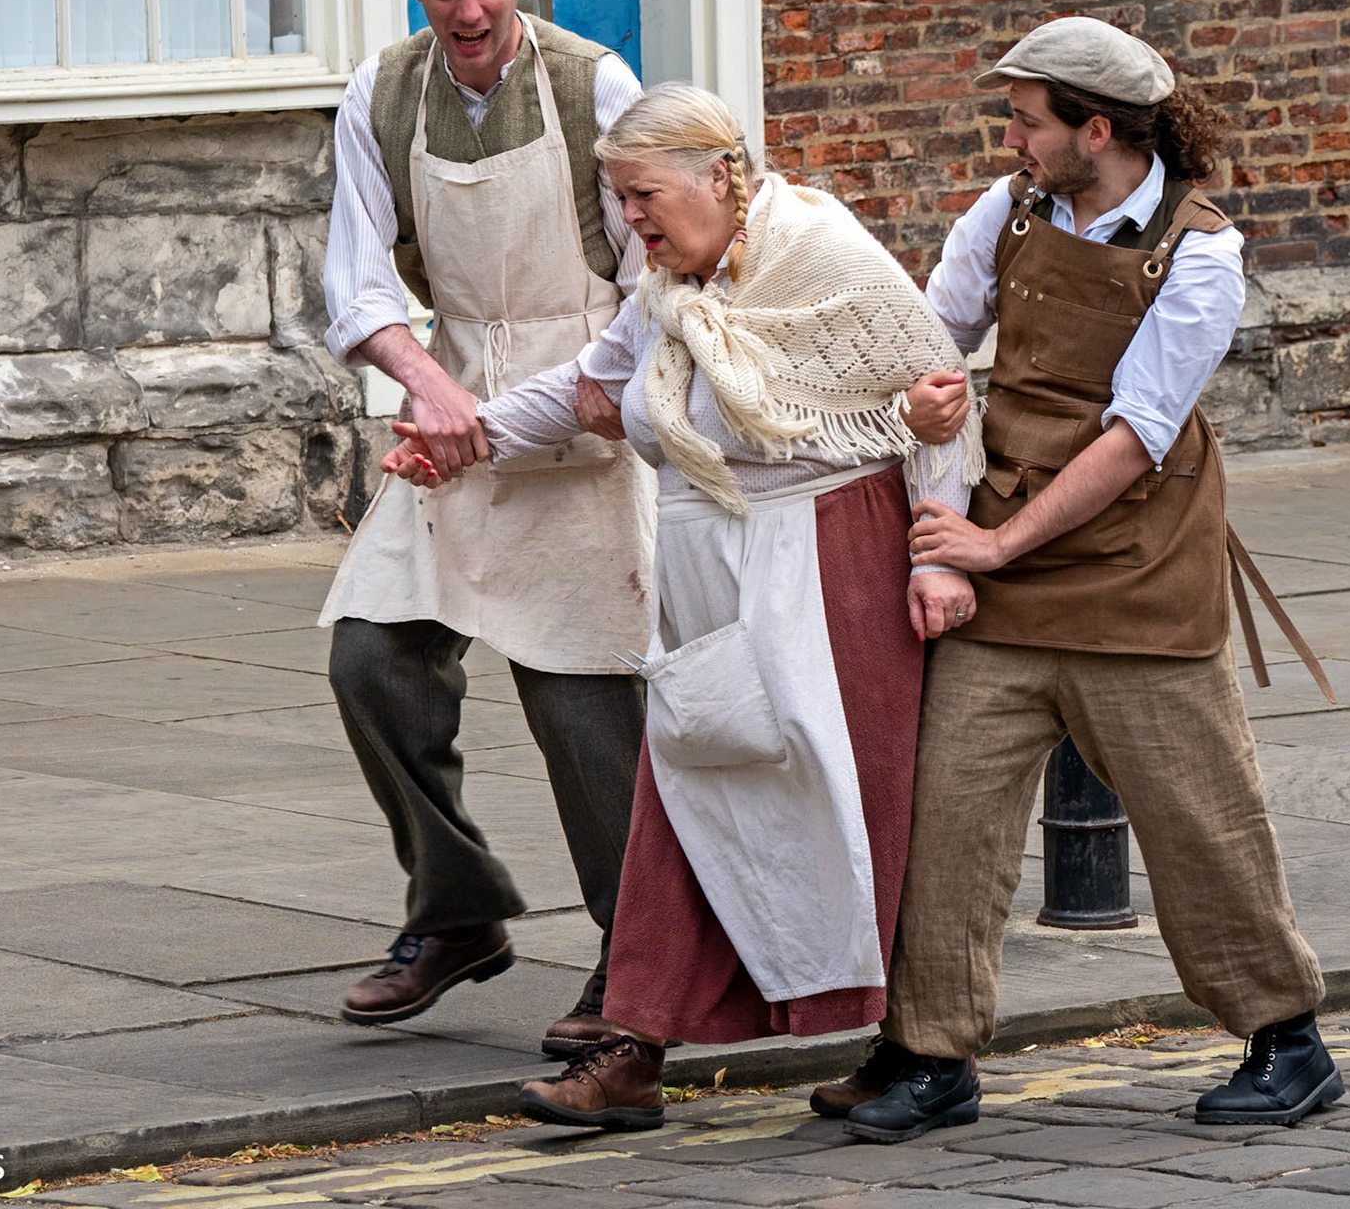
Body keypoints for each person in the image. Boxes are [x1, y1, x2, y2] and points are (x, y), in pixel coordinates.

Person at [383, 83, 984, 1130]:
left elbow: (936, 403)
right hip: (711, 565)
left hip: (829, 560)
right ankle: (636, 1050)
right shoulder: (671, 292)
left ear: (719, 176)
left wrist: (938, 553)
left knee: (848, 805)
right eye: (618, 201)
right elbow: (584, 391)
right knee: (691, 795)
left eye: (643, 194)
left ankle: (911, 1051)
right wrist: (466, 433)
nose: (632, 222)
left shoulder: (823, 255)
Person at [830, 17, 1338, 1143]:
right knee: (946, 820)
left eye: (1025, 119)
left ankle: (1287, 1041)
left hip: (1135, 574)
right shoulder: (1004, 210)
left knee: (1200, 819)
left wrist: (995, 547)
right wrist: (920, 411)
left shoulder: (1201, 251)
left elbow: (1135, 436)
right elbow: (925, 339)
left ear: (1093, 129)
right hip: (998, 565)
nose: (1010, 137)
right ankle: (930, 1053)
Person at [317, 0, 656, 1059]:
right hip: (452, 419)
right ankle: (457, 911)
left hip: (587, 424)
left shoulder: (594, 85)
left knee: (584, 707)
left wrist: (580, 395)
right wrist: (428, 383)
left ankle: (636, 960)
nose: (466, 11)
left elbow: (656, 270)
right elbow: (357, 286)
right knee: (373, 656)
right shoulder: (382, 92)